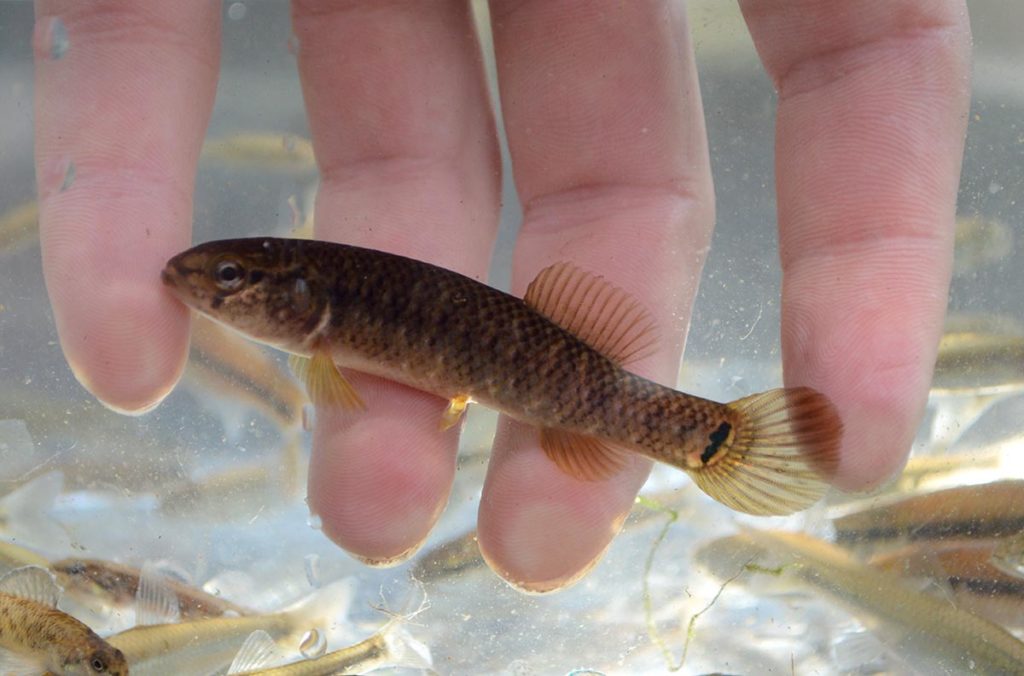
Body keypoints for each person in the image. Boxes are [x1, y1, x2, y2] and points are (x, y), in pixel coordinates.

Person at [33, 1, 971, 593]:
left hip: (575, 385)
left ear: (298, 300)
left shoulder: (334, 328)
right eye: (222, 285)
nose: (210, 291)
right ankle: (708, 438)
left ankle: (714, 437)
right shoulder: (328, 336)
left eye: (230, 285)